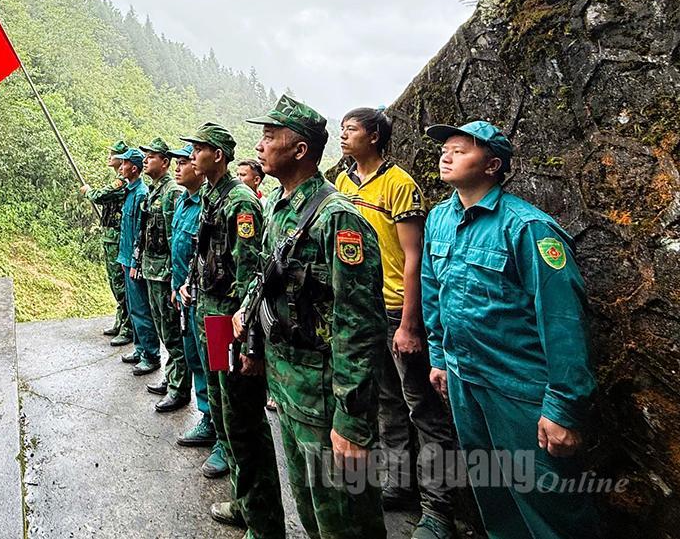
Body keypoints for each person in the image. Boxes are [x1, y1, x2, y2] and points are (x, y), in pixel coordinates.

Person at [422, 121, 600, 538]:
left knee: (552, 508)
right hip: (466, 381)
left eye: (461, 150)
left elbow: (563, 321)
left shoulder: (527, 228)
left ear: (493, 165)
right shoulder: (438, 220)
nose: (446, 155)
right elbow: (434, 295)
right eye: (445, 148)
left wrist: (563, 408)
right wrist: (438, 358)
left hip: (520, 389)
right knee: (495, 498)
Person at [238, 95, 387, 538]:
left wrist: (353, 423)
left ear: (300, 150)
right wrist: (254, 347)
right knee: (310, 509)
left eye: (270, 136)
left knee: (346, 520)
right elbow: (268, 286)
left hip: (327, 400)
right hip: (288, 388)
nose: (260, 145)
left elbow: (359, 326)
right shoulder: (276, 207)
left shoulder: (336, 220)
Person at [337, 108, 458, 538]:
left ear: (374, 136)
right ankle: (399, 483)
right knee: (387, 402)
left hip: (395, 310)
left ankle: (438, 509)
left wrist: (409, 324)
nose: (343, 136)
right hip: (363, 310)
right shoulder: (344, 183)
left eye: (350, 129)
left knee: (422, 407)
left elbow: (413, 257)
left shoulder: (399, 184)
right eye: (341, 129)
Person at [178, 122, 286, 537]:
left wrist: (247, 337)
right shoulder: (210, 194)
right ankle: (245, 500)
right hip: (209, 315)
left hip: (228, 321)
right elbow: (203, 249)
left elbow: (247, 271)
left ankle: (259, 515)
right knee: (225, 409)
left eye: (199, 149)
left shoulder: (240, 201)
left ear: (217, 156)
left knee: (241, 415)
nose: (191, 156)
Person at [136, 137, 189, 412]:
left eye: (151, 157)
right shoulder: (155, 190)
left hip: (165, 274)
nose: (146, 161)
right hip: (150, 270)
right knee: (162, 329)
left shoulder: (172, 192)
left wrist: (174, 278)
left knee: (172, 333)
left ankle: (179, 388)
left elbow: (174, 239)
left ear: (164, 162)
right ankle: (172, 378)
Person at [169, 143, 216, 447]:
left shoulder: (210, 204)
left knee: (215, 367)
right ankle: (207, 419)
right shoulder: (183, 204)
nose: (180, 167)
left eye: (185, 161)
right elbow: (181, 252)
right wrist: (176, 287)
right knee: (195, 360)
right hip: (185, 295)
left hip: (208, 300)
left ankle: (220, 431)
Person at [116, 147, 161, 376]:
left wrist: (135, 262)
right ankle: (140, 347)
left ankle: (151, 355)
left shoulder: (142, 193)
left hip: (135, 262)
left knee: (142, 309)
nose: (119, 167)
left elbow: (141, 233)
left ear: (133, 168)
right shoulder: (130, 191)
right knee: (133, 308)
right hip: (126, 258)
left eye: (123, 164)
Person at [83, 140, 132, 346]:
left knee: (120, 283)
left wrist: (88, 191)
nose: (109, 157)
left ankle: (129, 327)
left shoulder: (122, 182)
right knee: (114, 282)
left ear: (121, 160)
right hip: (109, 236)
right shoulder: (118, 180)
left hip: (117, 237)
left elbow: (101, 195)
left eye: (113, 154)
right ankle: (120, 321)